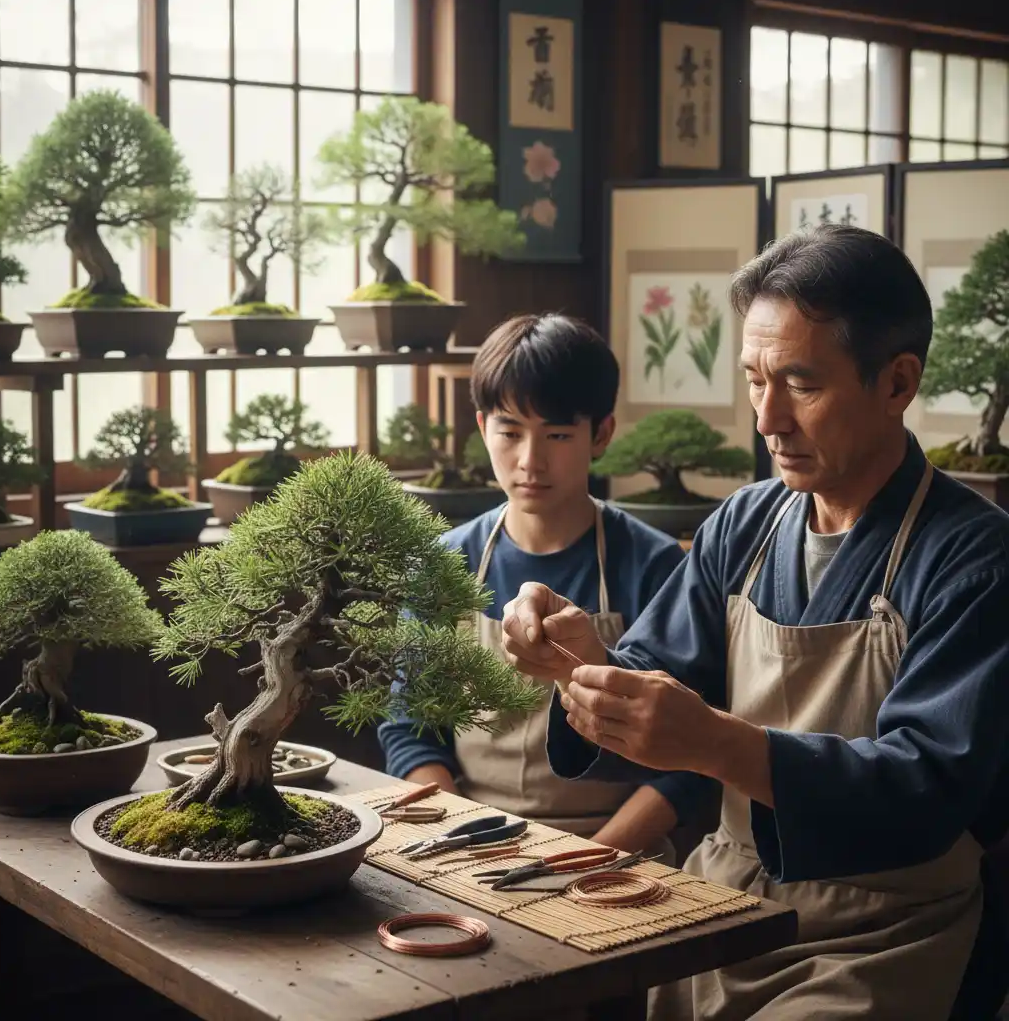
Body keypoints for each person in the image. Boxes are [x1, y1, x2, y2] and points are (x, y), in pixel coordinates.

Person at [501, 227, 1009, 1020]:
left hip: (886, 931)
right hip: (723, 901)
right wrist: (580, 660)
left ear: (898, 382)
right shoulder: (744, 524)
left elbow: (926, 787)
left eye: (800, 383)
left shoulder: (974, 557)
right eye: (753, 380)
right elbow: (650, 678)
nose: (768, 419)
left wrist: (715, 743)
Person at [378, 313, 706, 853]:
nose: (530, 461)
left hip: (617, 851)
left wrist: (593, 857)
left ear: (600, 434)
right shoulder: (445, 562)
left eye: (556, 434)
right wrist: (460, 838)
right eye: (510, 432)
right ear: (483, 429)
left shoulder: (654, 564)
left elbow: (689, 755)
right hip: (465, 835)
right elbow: (410, 727)